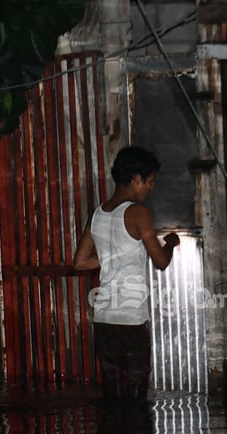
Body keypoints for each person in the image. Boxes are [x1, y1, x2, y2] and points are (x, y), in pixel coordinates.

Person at [73, 145, 180, 400]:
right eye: (150, 181)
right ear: (136, 179)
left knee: (112, 391)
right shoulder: (138, 213)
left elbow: (80, 262)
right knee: (135, 391)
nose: (151, 188)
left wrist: (111, 256)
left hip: (103, 319)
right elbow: (161, 262)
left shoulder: (98, 213)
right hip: (130, 319)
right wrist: (171, 244)